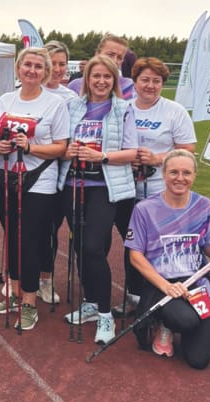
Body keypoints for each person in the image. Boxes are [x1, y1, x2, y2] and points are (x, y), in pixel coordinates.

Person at [126, 149, 210, 369]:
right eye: (173, 172)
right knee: (185, 319)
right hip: (162, 285)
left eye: (186, 173)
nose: (180, 178)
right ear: (164, 174)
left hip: (197, 284)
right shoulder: (144, 210)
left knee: (199, 360)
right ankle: (163, 323)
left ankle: (189, 329)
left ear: (194, 175)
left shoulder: (205, 206)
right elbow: (136, 256)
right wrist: (166, 287)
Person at [0, 47, 69, 331]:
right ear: (19, 68)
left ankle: (30, 302)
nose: (32, 70)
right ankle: (15, 292)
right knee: (11, 237)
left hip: (39, 181)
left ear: (45, 72)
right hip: (5, 177)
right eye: (27, 65)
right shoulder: (5, 99)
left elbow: (61, 147)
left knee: (30, 241)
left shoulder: (55, 104)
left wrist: (31, 147)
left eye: (38, 66)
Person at [58, 55, 138, 344]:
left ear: (114, 81)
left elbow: (132, 152)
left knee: (93, 247)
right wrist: (67, 151)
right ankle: (90, 301)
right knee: (80, 246)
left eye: (107, 77)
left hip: (105, 186)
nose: (101, 81)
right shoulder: (72, 106)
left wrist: (101, 156)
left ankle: (106, 315)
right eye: (96, 76)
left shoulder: (123, 109)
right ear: (87, 80)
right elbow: (61, 143)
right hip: (72, 184)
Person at [112, 57, 197, 318]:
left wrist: (157, 158)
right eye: (145, 80)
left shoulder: (174, 111)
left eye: (156, 81)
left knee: (160, 246)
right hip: (126, 189)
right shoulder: (123, 108)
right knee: (133, 246)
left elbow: (188, 150)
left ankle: (162, 299)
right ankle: (134, 296)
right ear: (134, 82)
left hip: (161, 191)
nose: (150, 85)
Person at [36, 40, 78, 305]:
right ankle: (23, 277)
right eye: (53, 63)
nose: (58, 69)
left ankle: (46, 280)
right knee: (36, 230)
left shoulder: (71, 98)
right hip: (35, 172)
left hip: (65, 175)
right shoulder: (29, 91)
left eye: (63, 64)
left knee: (53, 229)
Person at [67, 34, 135, 100]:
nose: (115, 60)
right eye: (110, 55)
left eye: (119, 58)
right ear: (97, 54)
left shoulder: (130, 86)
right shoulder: (75, 86)